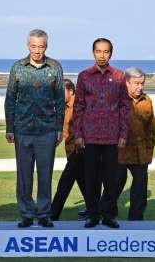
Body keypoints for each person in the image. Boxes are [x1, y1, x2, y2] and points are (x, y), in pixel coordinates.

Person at [4, 29, 65, 228]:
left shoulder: (55, 67)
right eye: (33, 46)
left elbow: (60, 100)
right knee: (24, 175)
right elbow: (11, 99)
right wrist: (9, 127)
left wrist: (59, 128)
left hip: (47, 130)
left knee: (45, 175)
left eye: (41, 46)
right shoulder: (17, 68)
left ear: (46, 46)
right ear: (27, 45)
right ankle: (26, 214)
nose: (37, 51)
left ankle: (45, 214)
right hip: (22, 129)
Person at [73, 38, 131, 228]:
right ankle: (92, 215)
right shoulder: (84, 76)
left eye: (105, 52)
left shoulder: (120, 76)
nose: (102, 55)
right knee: (90, 179)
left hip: (112, 136)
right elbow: (78, 106)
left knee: (111, 179)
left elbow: (124, 107)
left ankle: (109, 215)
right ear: (93, 53)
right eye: (98, 51)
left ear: (111, 54)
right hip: (89, 136)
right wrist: (78, 134)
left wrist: (123, 134)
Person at [116, 67, 155, 221]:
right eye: (136, 83)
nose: (140, 87)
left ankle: (136, 217)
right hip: (119, 152)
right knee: (115, 185)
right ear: (126, 83)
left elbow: (151, 128)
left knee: (140, 185)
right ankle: (108, 214)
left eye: (142, 83)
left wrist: (149, 150)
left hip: (141, 153)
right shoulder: (117, 99)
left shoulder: (147, 101)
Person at [51, 79, 91, 221]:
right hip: (72, 152)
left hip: (79, 151)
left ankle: (53, 214)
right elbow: (63, 132)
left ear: (71, 91)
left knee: (65, 182)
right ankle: (93, 210)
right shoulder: (65, 108)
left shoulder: (79, 107)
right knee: (83, 182)